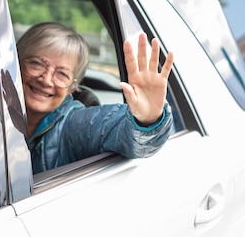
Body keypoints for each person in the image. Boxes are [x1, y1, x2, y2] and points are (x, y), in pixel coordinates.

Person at [14, 22, 174, 174]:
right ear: (16, 64)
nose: (46, 79)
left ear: (72, 88)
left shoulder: (73, 125)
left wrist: (147, 120)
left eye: (62, 74)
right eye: (36, 64)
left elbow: (119, 131)